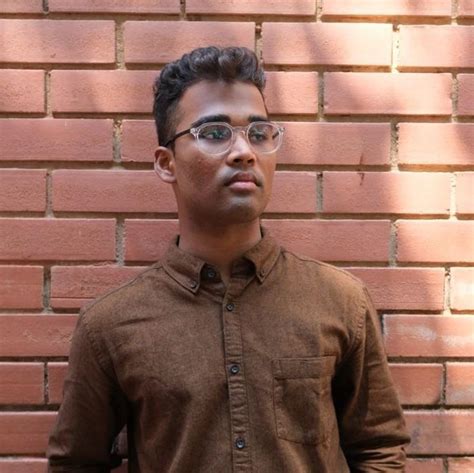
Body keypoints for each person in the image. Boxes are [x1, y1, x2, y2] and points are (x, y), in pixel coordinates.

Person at [47, 46, 410, 472]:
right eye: (215, 133)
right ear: (166, 163)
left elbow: (379, 448)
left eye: (259, 133)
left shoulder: (340, 301)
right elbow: (76, 464)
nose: (244, 151)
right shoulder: (111, 324)